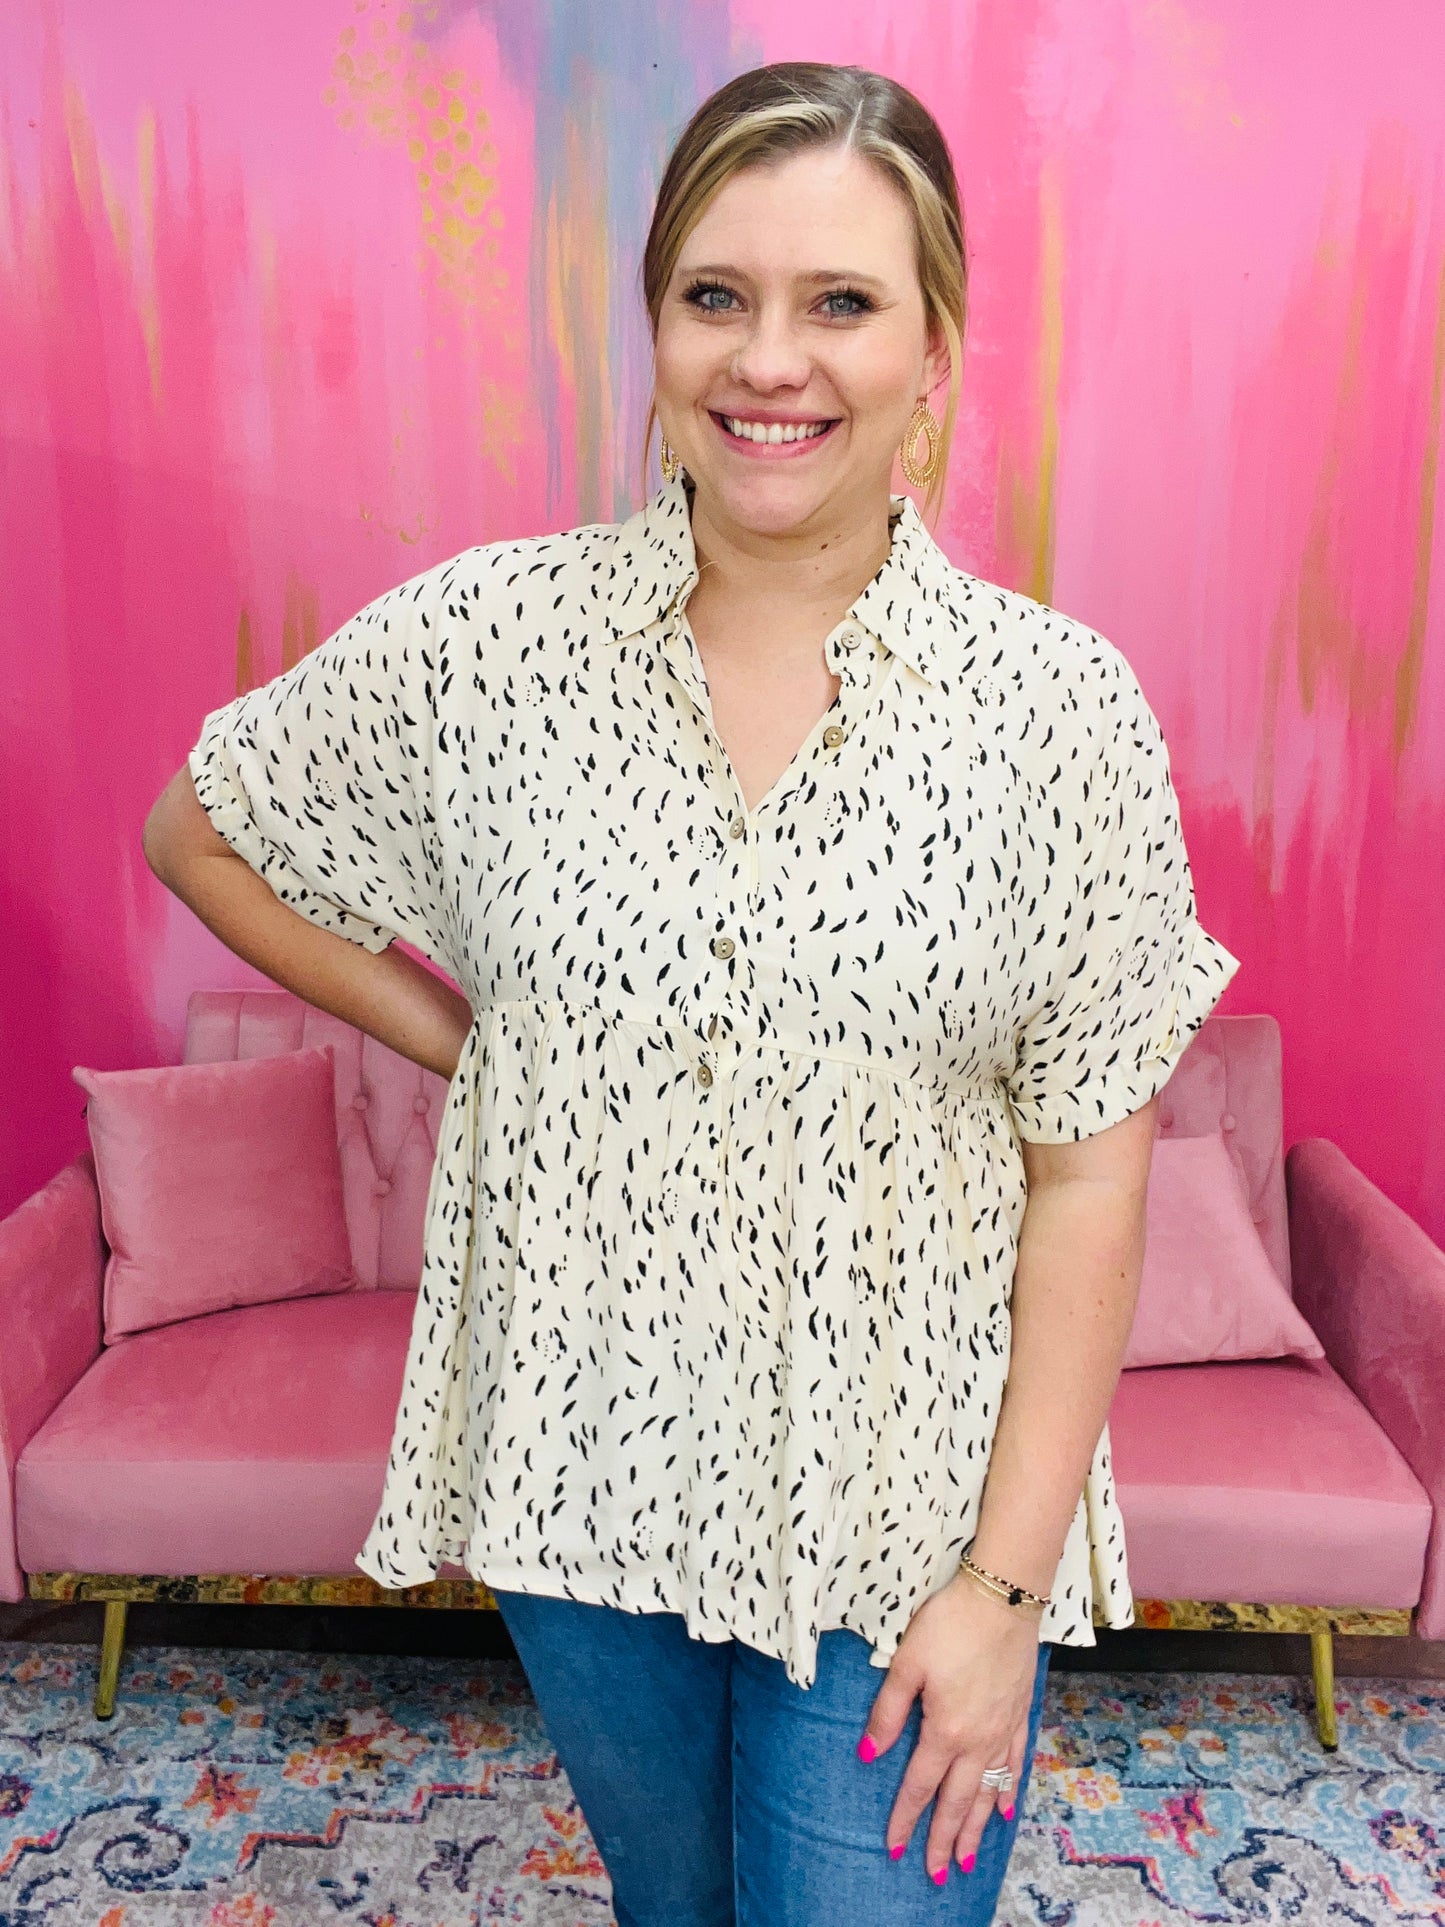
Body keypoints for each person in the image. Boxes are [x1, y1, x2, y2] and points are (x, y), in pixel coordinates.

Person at [144, 60, 1238, 1927]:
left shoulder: (1057, 713)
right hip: (585, 1464)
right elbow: (202, 829)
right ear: (653, 329)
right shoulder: (489, 647)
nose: (769, 360)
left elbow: (1088, 1172)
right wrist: (470, 1040)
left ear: (934, 349)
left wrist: (1001, 1591)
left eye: (841, 302)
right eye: (716, 295)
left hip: (908, 1511)